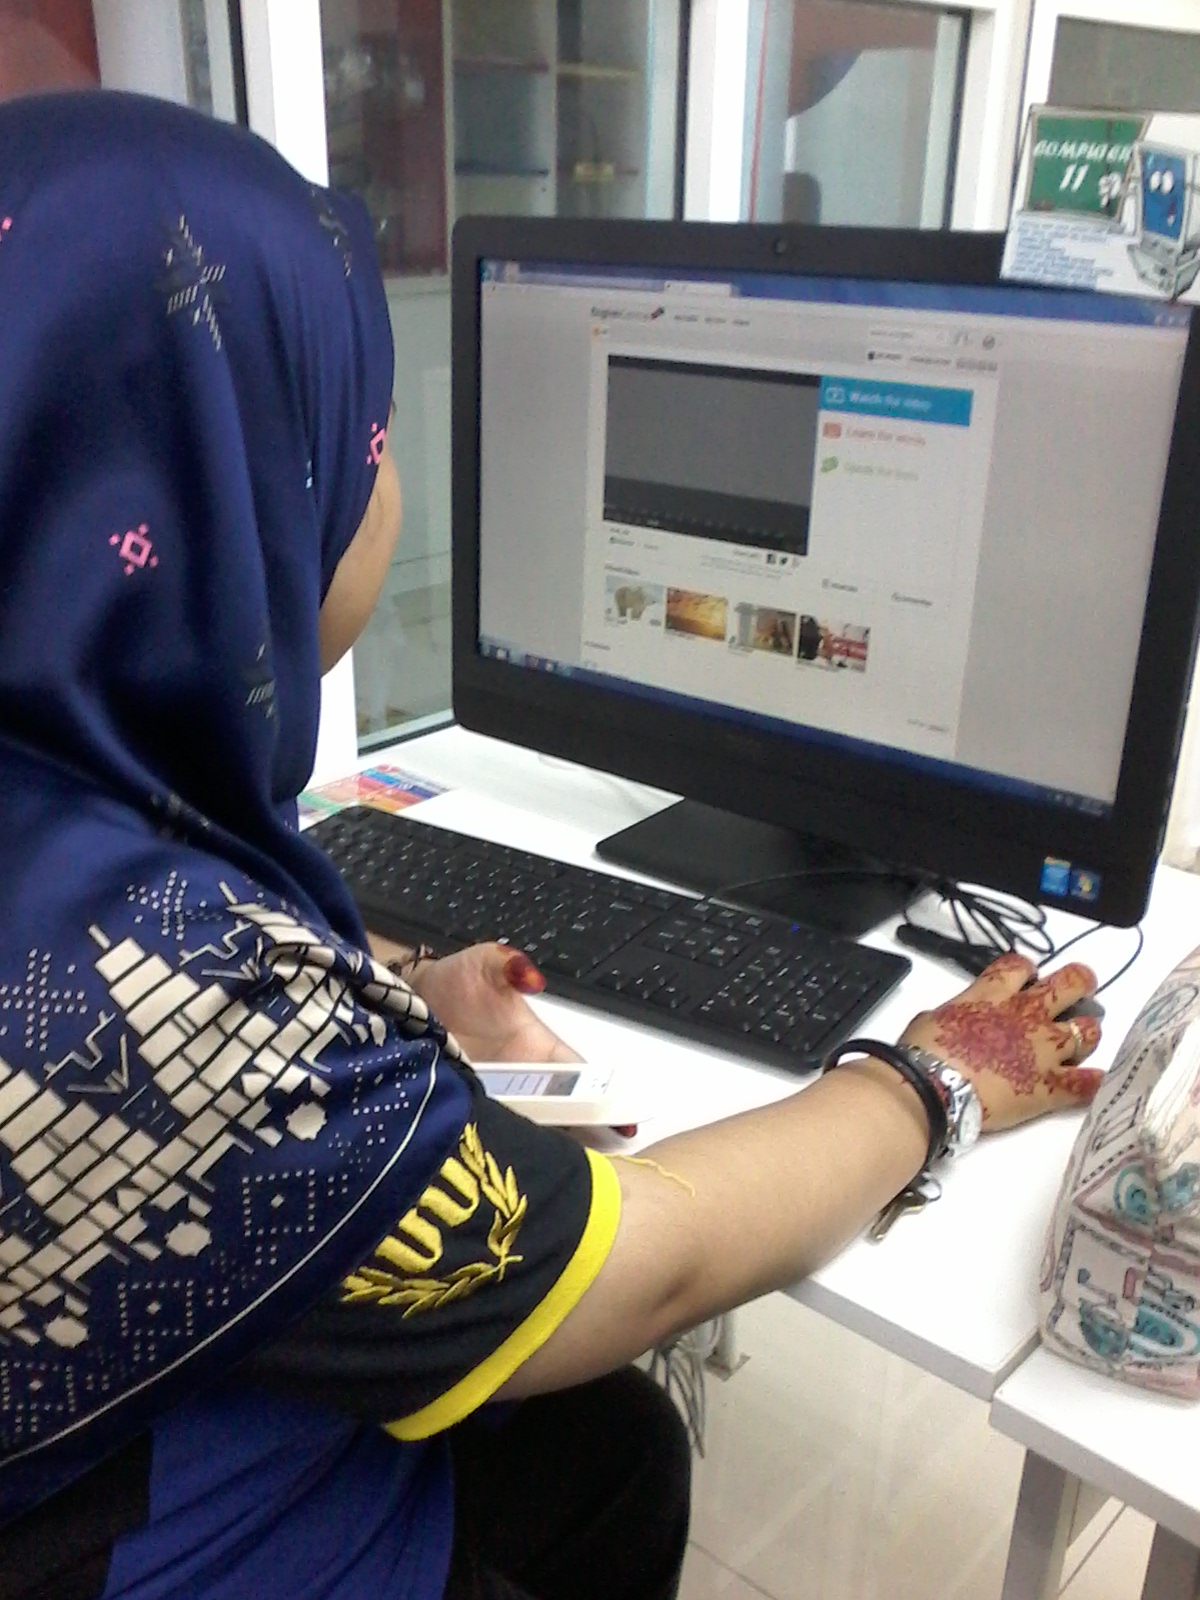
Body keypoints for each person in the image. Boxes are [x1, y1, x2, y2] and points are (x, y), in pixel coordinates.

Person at [0, 91, 1105, 1600]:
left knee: (616, 1451)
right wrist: (932, 1081)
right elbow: (651, 1259)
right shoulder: (186, 1010)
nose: (382, 486)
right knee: (607, 1412)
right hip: (155, 1544)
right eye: (361, 437)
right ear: (224, 486)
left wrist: (391, 1001)